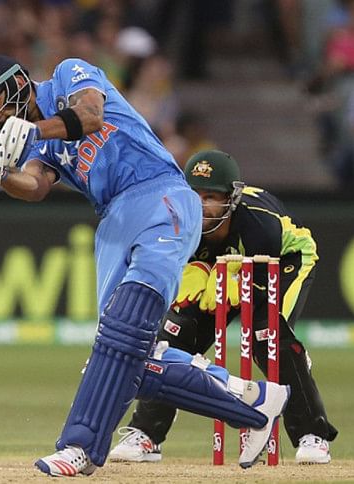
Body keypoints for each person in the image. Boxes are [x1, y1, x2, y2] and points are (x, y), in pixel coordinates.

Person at [0, 55, 290, 477]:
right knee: (124, 356)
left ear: (17, 82)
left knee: (124, 330)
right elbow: (36, 185)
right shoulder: (37, 145)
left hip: (160, 196)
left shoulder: (68, 75)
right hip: (113, 221)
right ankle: (254, 403)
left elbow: (90, 116)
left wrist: (34, 130)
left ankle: (79, 446)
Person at [109, 149, 338, 465]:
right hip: (221, 264)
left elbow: (262, 273)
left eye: (211, 197)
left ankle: (312, 434)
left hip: (284, 260)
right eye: (195, 195)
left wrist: (237, 277)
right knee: (173, 336)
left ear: (231, 198)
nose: (201, 204)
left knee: (268, 338)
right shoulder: (177, 221)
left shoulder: (260, 224)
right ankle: (146, 434)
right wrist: (195, 271)